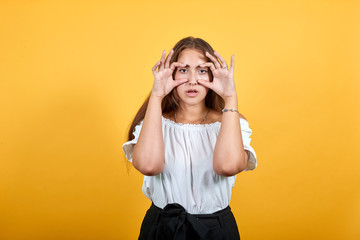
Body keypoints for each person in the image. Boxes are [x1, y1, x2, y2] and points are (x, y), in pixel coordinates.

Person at [122, 36, 257, 240]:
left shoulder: (230, 122)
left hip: (215, 231)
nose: (192, 80)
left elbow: (227, 166)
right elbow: (149, 166)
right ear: (171, 74)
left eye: (202, 70)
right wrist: (157, 96)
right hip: (162, 229)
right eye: (183, 70)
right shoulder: (154, 122)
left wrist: (230, 97)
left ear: (213, 75)